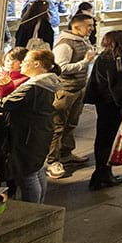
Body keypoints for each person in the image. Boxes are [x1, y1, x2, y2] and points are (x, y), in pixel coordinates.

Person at [0, 49, 62, 202]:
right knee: (37, 170)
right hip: (39, 133)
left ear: (37, 64)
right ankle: (40, 207)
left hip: (28, 135)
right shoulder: (48, 82)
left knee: (27, 176)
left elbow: (5, 104)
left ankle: (32, 210)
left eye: (25, 61)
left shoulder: (33, 86)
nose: (22, 65)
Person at [83, 30, 122, 190]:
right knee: (109, 139)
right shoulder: (118, 58)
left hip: (103, 103)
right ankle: (103, 174)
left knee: (103, 137)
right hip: (113, 104)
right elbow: (120, 85)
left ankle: (101, 173)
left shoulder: (103, 57)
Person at [46, 13, 97, 178]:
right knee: (57, 126)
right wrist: (85, 62)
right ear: (76, 26)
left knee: (71, 123)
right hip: (65, 91)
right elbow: (61, 68)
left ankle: (66, 154)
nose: (92, 28)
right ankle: (51, 161)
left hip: (78, 89)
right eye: (88, 25)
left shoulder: (82, 40)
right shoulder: (65, 45)